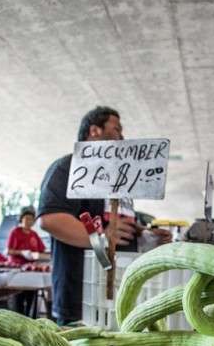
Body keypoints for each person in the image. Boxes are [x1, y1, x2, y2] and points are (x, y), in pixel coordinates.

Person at [38, 105, 171, 326]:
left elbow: (118, 226)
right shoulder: (68, 168)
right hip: (81, 301)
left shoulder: (118, 178)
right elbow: (51, 219)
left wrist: (146, 237)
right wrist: (100, 239)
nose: (122, 136)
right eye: (116, 128)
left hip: (119, 301)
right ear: (94, 131)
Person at [7, 206, 48, 317]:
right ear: (22, 219)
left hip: (32, 272)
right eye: (27, 218)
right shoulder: (15, 232)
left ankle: (31, 319)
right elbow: (9, 251)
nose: (29, 221)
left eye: (31, 219)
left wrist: (38, 256)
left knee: (32, 299)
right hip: (18, 271)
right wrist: (22, 253)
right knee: (18, 299)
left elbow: (42, 251)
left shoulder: (34, 235)